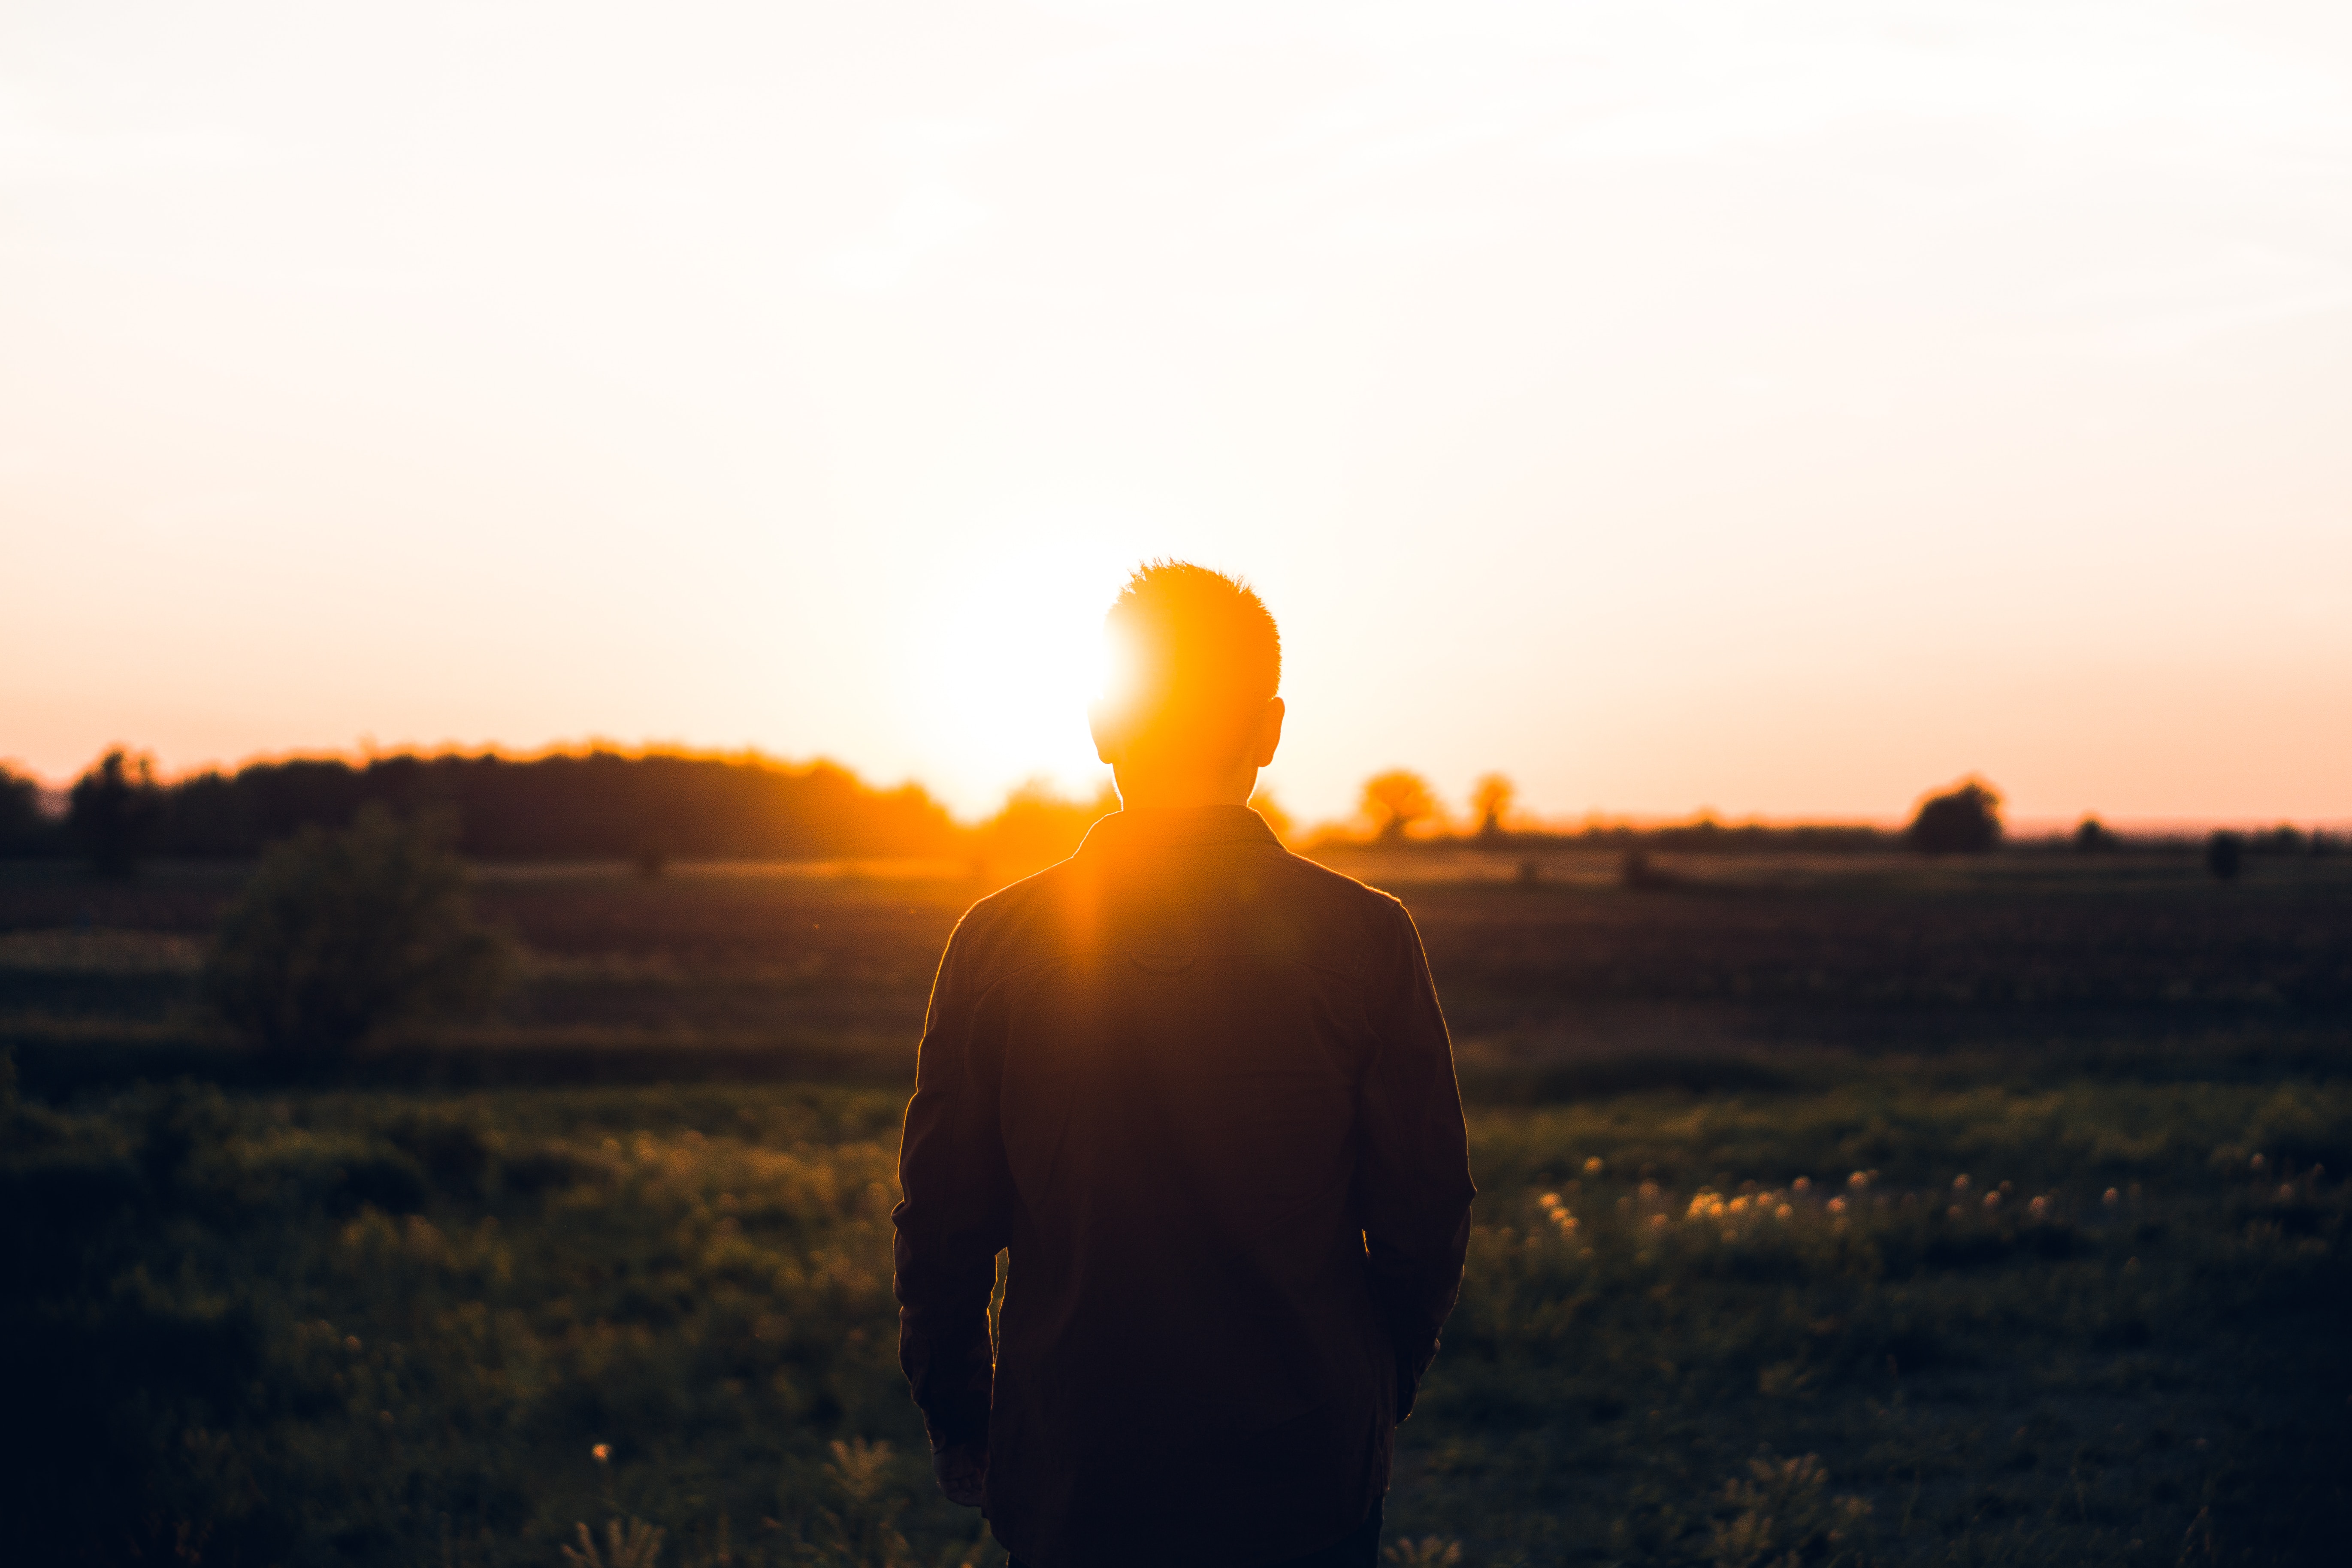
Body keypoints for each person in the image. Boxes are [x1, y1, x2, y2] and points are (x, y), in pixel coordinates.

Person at [893, 561, 1476, 1568]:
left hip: (1078, 1474)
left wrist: (962, 1424)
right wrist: (1371, 1393)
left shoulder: (995, 943)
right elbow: (1425, 1212)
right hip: (1305, 1475)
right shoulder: (1367, 940)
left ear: (1103, 725)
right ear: (1269, 729)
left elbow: (941, 1226)